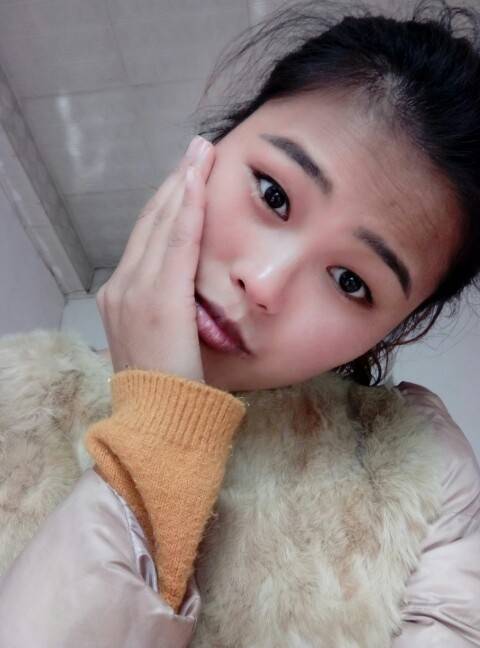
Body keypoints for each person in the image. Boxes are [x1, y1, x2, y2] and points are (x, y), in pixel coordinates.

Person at [0, 0, 479, 645]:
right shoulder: (16, 392)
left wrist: (162, 432)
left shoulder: (425, 475)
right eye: (273, 194)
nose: (265, 282)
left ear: (392, 331)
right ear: (214, 145)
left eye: (351, 281)